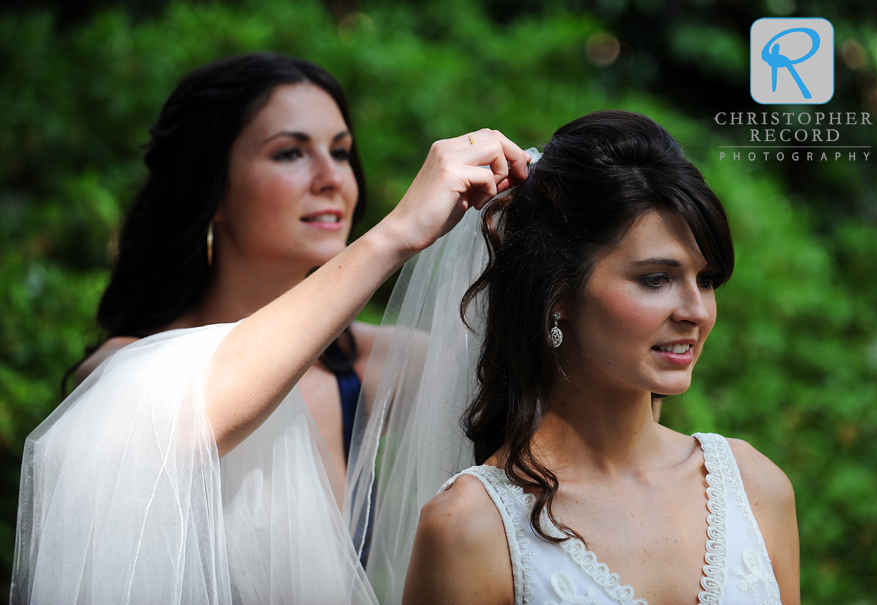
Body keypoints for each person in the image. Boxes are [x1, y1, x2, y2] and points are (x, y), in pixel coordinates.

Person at [10, 52, 530, 604]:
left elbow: (552, 370)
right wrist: (396, 234)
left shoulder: (370, 364)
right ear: (211, 190)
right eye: (290, 153)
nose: (332, 179)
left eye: (341, 152)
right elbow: (188, 419)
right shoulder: (122, 367)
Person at [353, 111, 800, 604]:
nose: (697, 311)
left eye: (706, 279)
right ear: (559, 293)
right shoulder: (472, 528)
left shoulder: (754, 487)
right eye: (656, 278)